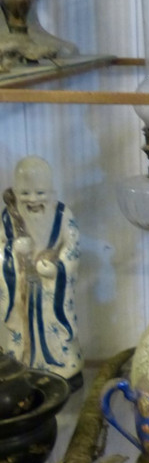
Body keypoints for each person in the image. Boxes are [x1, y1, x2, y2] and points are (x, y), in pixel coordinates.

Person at [0, 156, 83, 389]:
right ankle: (22, 362)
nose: (33, 199)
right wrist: (12, 251)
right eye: (25, 193)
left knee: (54, 326)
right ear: (15, 192)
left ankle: (62, 365)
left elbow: (73, 247)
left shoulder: (63, 215)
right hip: (22, 285)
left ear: (52, 191)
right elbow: (1, 248)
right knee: (20, 330)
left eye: (40, 192)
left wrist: (58, 267)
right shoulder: (8, 217)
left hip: (51, 287)